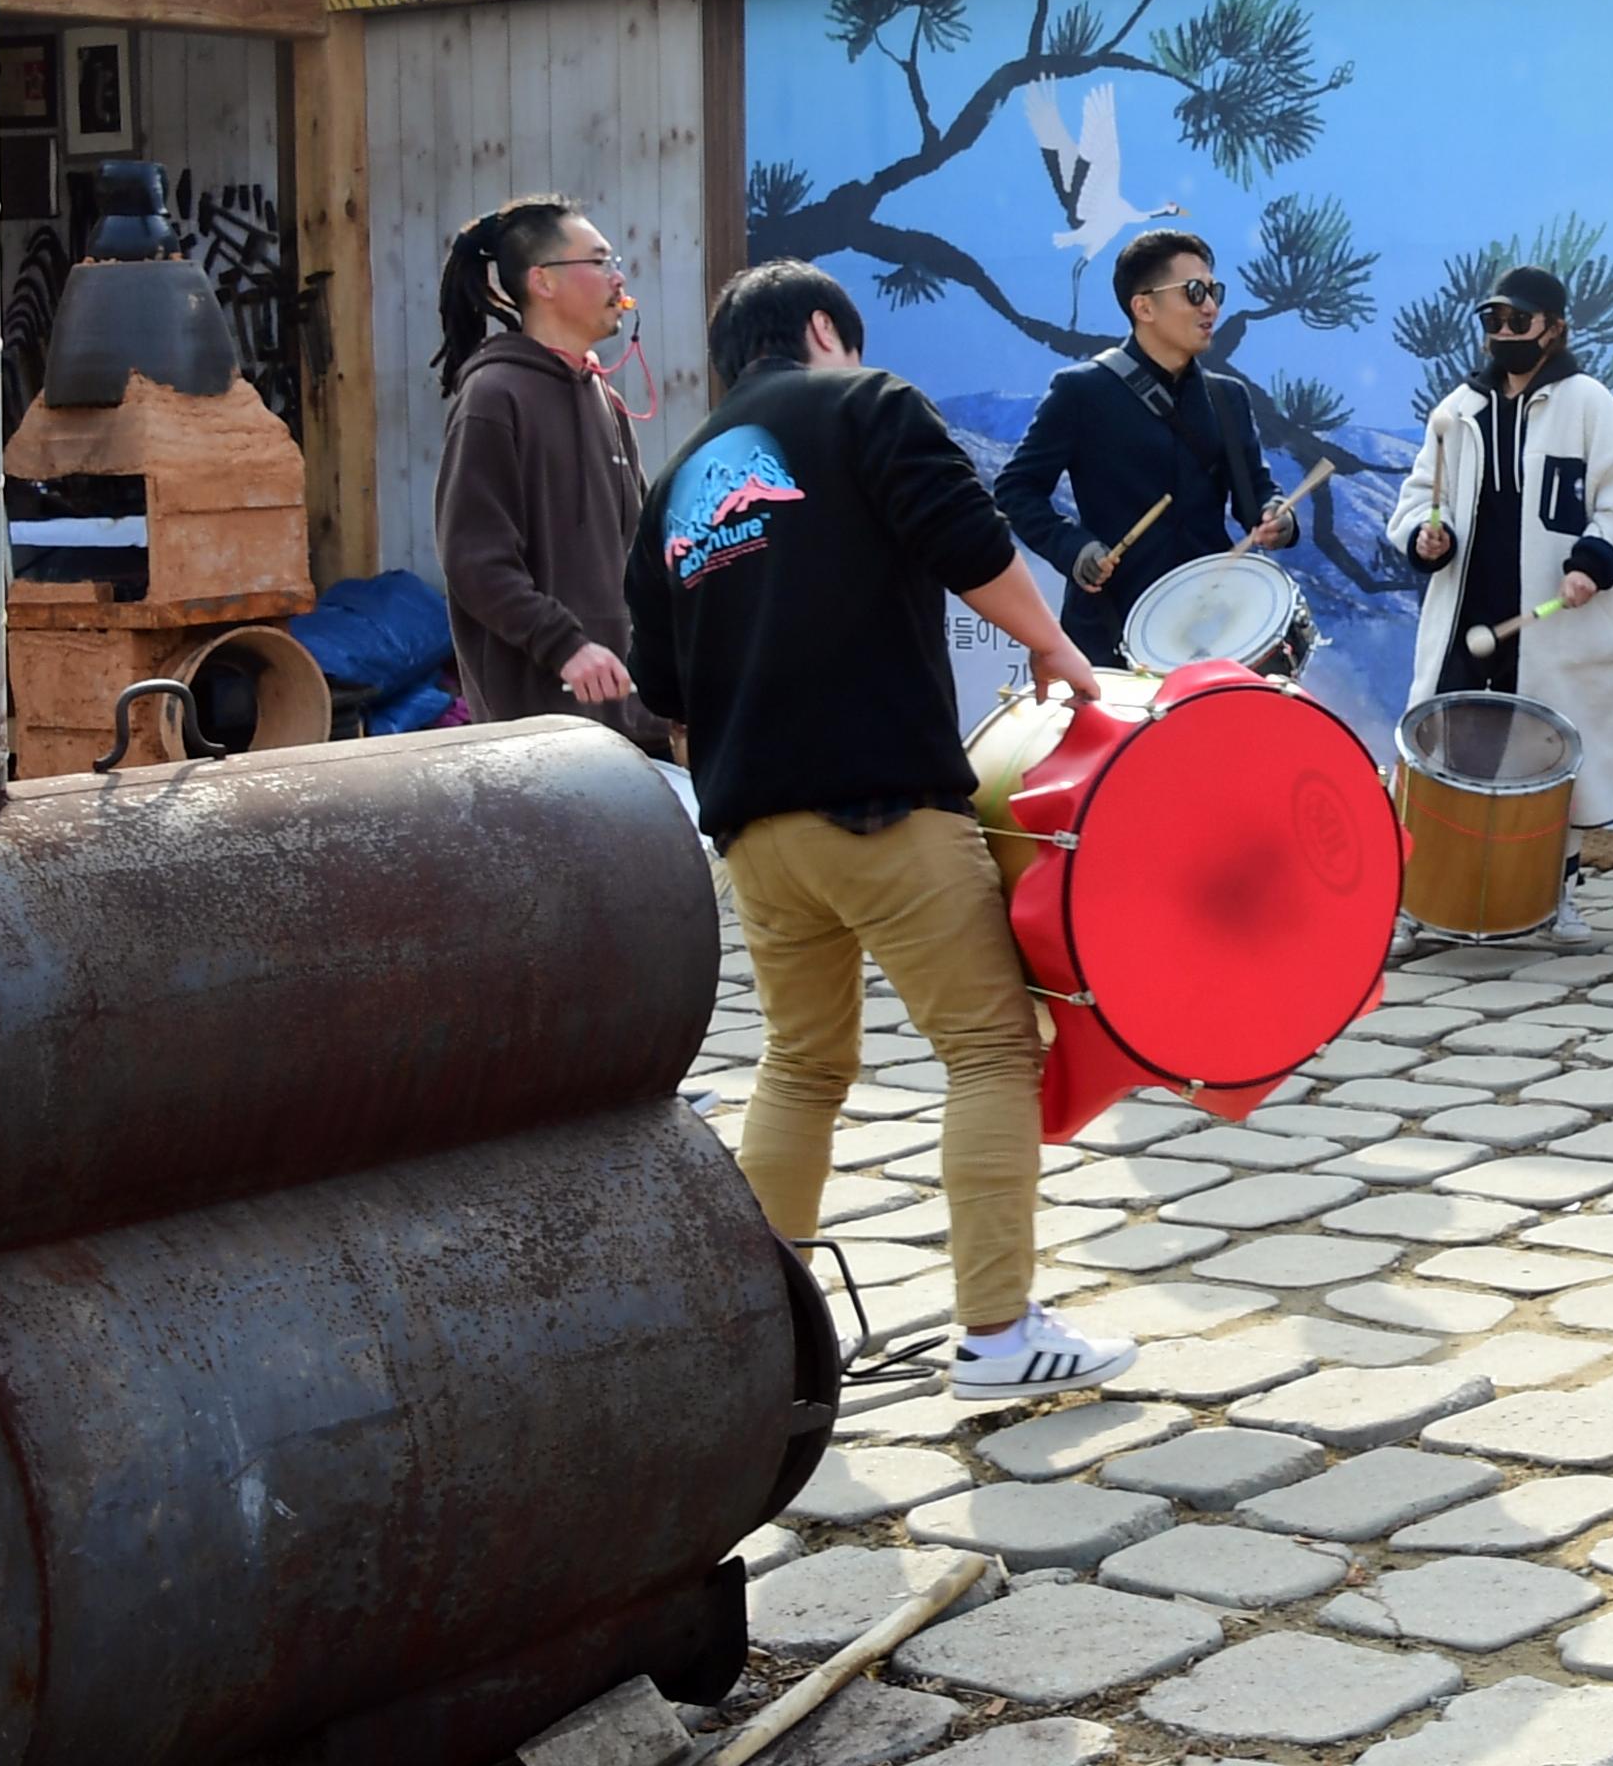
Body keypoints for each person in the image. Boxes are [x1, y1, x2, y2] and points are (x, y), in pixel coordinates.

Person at [625, 261, 1135, 1400]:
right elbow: (967, 536)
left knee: (802, 1063)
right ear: (823, 329)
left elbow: (665, 688)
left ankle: (762, 1346)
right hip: (882, 808)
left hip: (756, 830)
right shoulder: (866, 402)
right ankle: (1000, 1333)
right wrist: (1058, 650)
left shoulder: (681, 480)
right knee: (991, 1048)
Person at [1384, 264, 1613, 947]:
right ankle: (1420, 898)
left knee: (1546, 754)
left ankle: (1550, 894)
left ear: (1554, 329)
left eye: (1518, 322)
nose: (1502, 334)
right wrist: (1426, 535)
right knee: (1443, 752)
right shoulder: (1457, 412)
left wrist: (1593, 561)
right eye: (1492, 322)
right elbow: (1416, 500)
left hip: (1549, 622)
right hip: (1467, 612)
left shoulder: (1590, 404)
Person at [996, 227, 1294, 672]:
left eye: (1215, 291)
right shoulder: (1081, 391)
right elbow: (1016, 489)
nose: (1210, 306)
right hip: (1112, 627)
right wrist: (1074, 549)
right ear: (1144, 306)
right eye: (1194, 292)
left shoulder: (1227, 397)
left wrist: (1278, 518)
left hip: (1212, 631)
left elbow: (1255, 493)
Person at [432, 194, 667, 757]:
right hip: (538, 739)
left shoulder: (605, 400)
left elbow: (639, 555)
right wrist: (566, 646)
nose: (618, 278)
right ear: (543, 281)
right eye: (601, 260)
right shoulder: (493, 396)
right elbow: (474, 561)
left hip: (630, 723)